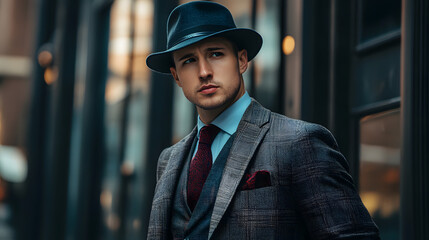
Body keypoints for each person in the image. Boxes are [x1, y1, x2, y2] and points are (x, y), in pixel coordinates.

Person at [145, 1, 379, 239]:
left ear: (242, 60)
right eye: (188, 60)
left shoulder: (299, 142)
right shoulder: (168, 160)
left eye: (216, 54)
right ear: (176, 76)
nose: (204, 71)